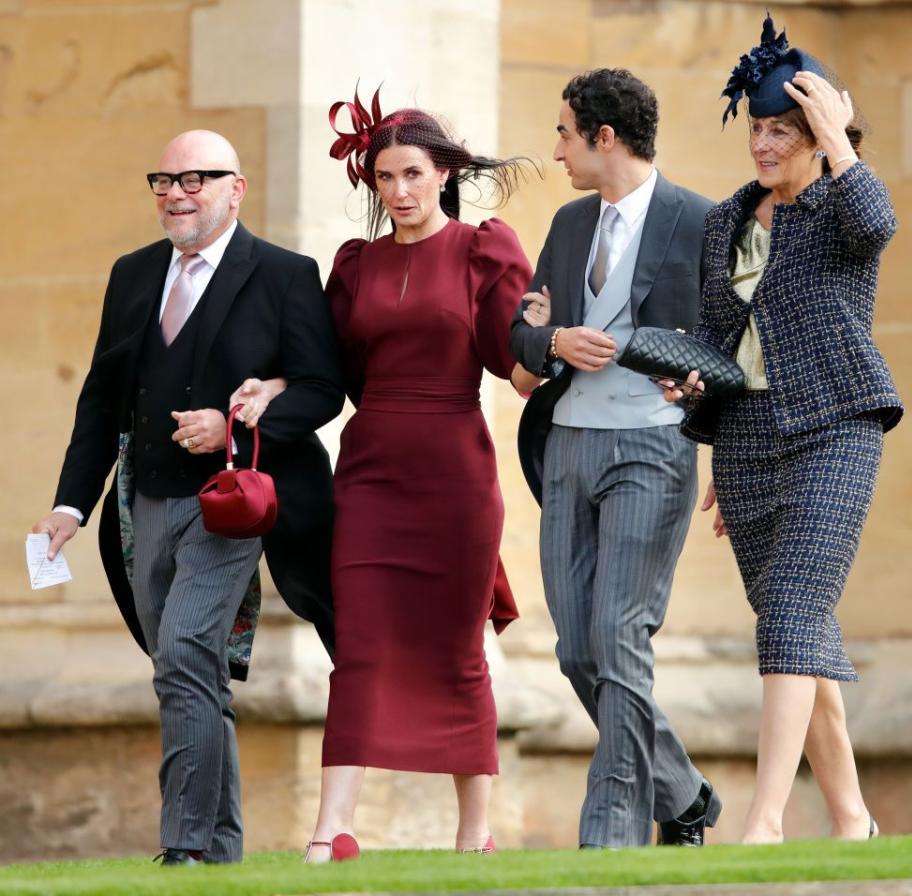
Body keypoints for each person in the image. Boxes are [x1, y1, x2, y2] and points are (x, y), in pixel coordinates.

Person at [237, 90, 540, 861]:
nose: (399, 191)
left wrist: (554, 342)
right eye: (384, 177)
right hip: (369, 472)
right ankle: (329, 830)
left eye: (412, 173)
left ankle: (476, 835)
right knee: (361, 643)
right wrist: (275, 387)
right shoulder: (355, 264)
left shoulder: (484, 250)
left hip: (457, 473)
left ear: (443, 173)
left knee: (456, 648)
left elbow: (516, 366)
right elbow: (330, 369)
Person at [30, 130, 344, 864]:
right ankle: (222, 849)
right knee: (187, 669)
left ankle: (187, 848)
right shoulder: (132, 273)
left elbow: (323, 388)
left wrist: (238, 423)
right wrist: (71, 506)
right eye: (164, 180)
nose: (177, 192)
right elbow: (101, 400)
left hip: (229, 505)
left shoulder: (283, 274)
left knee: (183, 652)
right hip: (143, 507)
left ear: (236, 189)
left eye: (197, 178)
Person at [662, 15, 903, 844]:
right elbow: (716, 334)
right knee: (802, 635)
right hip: (751, 440)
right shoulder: (727, 220)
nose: (763, 144)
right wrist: (688, 378)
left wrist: (838, 138)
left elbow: (881, 226)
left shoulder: (843, 201)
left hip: (837, 425)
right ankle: (853, 822)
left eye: (782, 131)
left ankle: (763, 822)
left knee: (793, 615)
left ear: (818, 133)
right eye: (758, 128)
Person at [509, 69, 721, 849]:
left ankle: (612, 834)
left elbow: (735, 346)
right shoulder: (568, 226)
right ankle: (686, 795)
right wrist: (553, 339)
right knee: (575, 646)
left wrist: (701, 400)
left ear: (605, 137)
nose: (556, 148)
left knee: (619, 632)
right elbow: (522, 335)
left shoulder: (700, 220)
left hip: (651, 449)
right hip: (567, 445)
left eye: (565, 132)